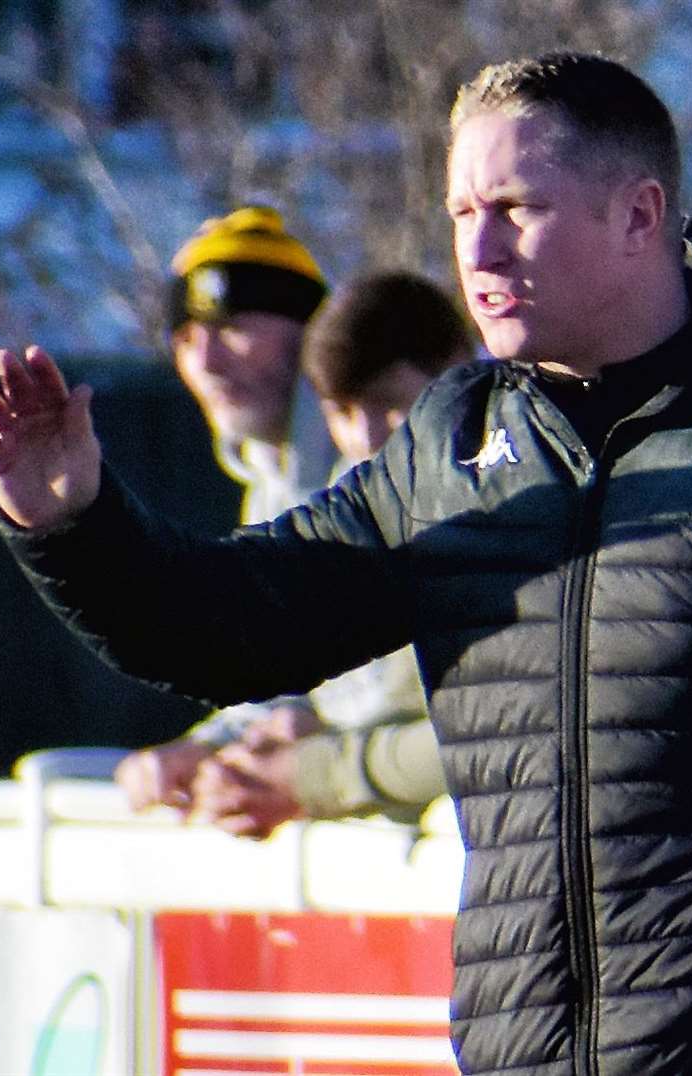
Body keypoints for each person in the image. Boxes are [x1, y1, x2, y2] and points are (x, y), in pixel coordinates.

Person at [0, 51, 692, 1075]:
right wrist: (72, 519)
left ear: (639, 216)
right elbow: (230, 625)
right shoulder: (455, 443)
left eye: (517, 211)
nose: (477, 255)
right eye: (462, 214)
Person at [187, 270, 475, 839]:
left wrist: (316, 774)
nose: (366, 438)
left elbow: (505, 732)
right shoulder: (379, 517)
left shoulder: (521, 506)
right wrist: (303, 732)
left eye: (389, 403)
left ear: (461, 372)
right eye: (341, 412)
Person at [111, 205, 344, 812]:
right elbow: (282, 678)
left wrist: (333, 747)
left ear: (314, 332)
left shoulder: (378, 460)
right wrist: (205, 747)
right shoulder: (269, 479)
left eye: (233, 325)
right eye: (186, 338)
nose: (207, 361)